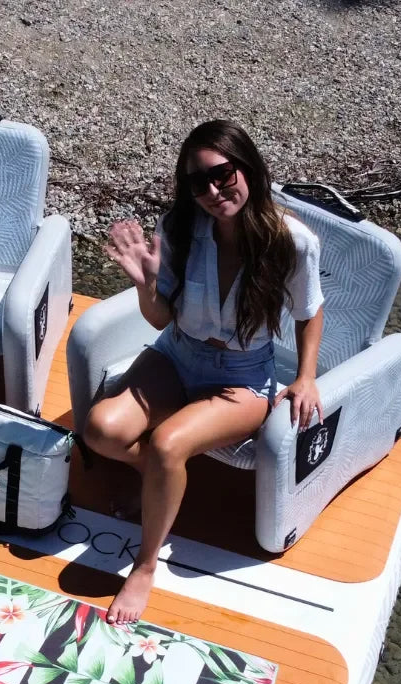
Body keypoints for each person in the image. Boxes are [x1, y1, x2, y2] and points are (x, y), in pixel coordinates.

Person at [84, 119, 325, 625]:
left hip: (242, 378)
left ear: (248, 167)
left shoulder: (292, 242)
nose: (214, 192)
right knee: (101, 429)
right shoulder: (180, 230)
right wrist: (144, 285)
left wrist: (305, 377)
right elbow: (162, 319)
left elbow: (309, 311)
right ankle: (159, 479)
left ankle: (145, 565)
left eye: (223, 174)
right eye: (199, 183)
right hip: (177, 353)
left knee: (170, 442)